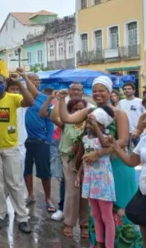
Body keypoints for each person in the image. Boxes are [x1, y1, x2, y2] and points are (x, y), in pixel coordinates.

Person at [58, 76, 143, 248]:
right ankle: (100, 243)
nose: (97, 94)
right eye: (95, 91)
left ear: (109, 92)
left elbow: (123, 141)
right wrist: (60, 100)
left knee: (121, 207)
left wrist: (99, 153)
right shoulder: (90, 112)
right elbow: (66, 118)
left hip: (118, 167)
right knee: (98, 212)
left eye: (101, 90)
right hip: (97, 171)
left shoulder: (119, 113)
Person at [0, 69, 35, 233]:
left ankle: (22, 217)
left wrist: (19, 83)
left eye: (0, 83)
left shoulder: (14, 98)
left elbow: (30, 101)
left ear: (5, 85)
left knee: (15, 183)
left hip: (11, 147)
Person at [75, 107, 116, 248]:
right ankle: (99, 243)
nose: (88, 125)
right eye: (88, 123)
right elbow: (84, 157)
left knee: (107, 217)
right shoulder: (86, 139)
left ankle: (109, 245)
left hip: (104, 181)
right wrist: (79, 175)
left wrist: (97, 128)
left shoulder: (107, 138)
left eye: (93, 123)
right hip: (90, 180)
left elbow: (105, 145)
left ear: (102, 125)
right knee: (96, 215)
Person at [50, 98, 89, 238]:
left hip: (87, 160)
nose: (78, 111)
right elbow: (53, 117)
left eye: (81, 109)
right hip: (69, 159)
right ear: (70, 111)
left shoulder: (89, 123)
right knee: (72, 191)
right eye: (74, 109)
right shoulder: (66, 122)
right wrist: (59, 99)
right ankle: (69, 223)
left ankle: (85, 224)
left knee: (86, 193)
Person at [113, 123, 146, 247]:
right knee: (144, 224)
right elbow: (131, 162)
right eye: (145, 117)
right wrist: (116, 147)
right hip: (144, 191)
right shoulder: (145, 140)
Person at [22, 74, 55, 212]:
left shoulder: (44, 98)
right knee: (26, 170)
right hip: (24, 141)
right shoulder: (20, 97)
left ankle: (48, 198)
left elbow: (50, 120)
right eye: (33, 80)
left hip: (41, 141)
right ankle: (30, 195)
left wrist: (48, 140)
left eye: (37, 80)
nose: (36, 82)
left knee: (44, 172)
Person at [118, 82, 145, 147]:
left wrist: (141, 130)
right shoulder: (121, 102)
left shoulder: (140, 101)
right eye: (125, 89)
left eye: (129, 89)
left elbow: (145, 115)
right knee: (127, 153)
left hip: (138, 132)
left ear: (134, 91)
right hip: (125, 132)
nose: (127, 90)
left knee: (139, 152)